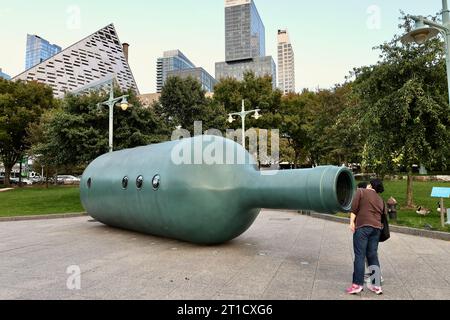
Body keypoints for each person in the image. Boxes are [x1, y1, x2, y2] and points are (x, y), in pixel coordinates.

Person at [347, 179, 386, 295]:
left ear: (370, 185)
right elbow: (383, 215)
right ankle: (377, 286)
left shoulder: (361, 191)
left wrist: (351, 222)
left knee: (360, 255)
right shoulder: (380, 200)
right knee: (373, 256)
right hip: (376, 229)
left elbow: (354, 208)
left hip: (363, 227)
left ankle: (357, 285)